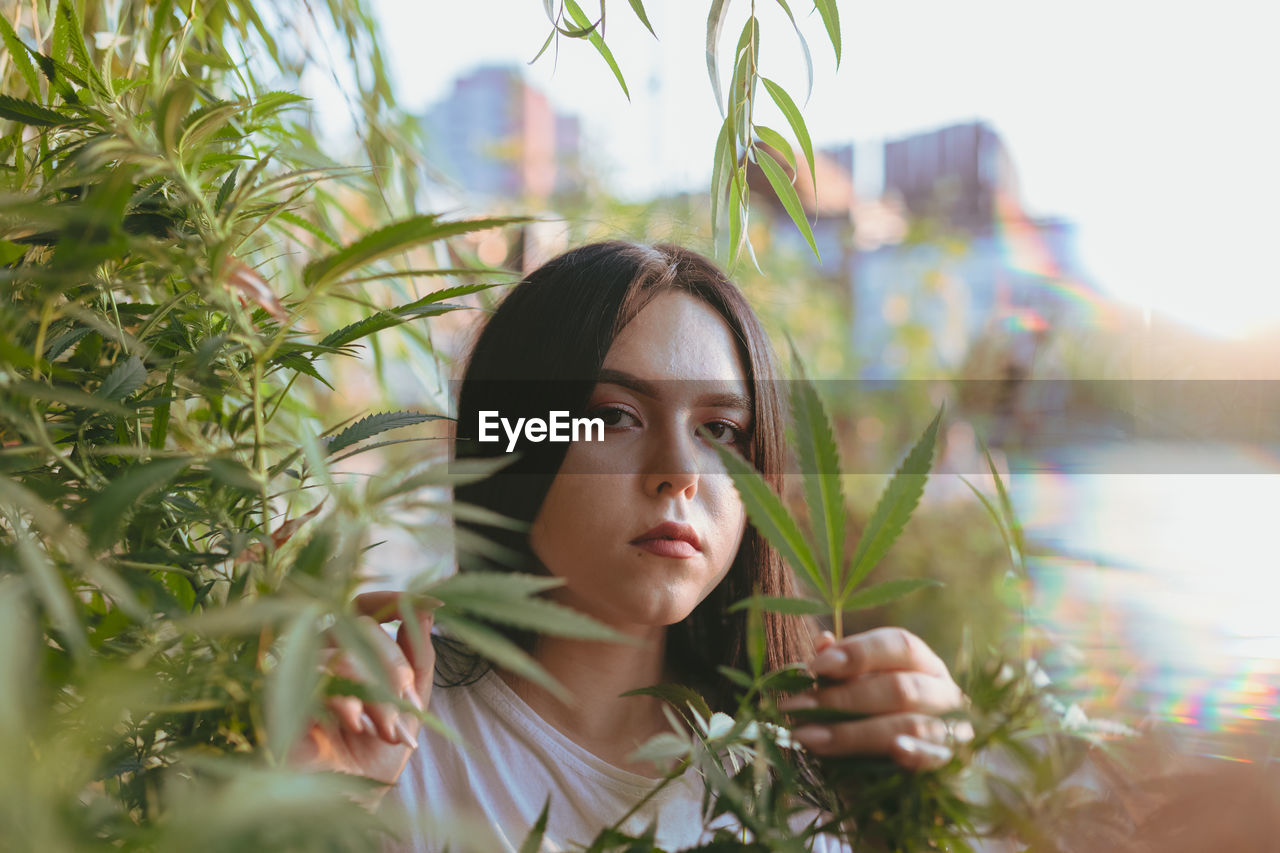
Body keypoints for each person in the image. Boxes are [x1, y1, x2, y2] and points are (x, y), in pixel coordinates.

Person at [293, 242, 966, 851]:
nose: (680, 470)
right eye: (615, 415)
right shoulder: (384, 730)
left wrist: (922, 809)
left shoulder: (802, 764)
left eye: (722, 429)